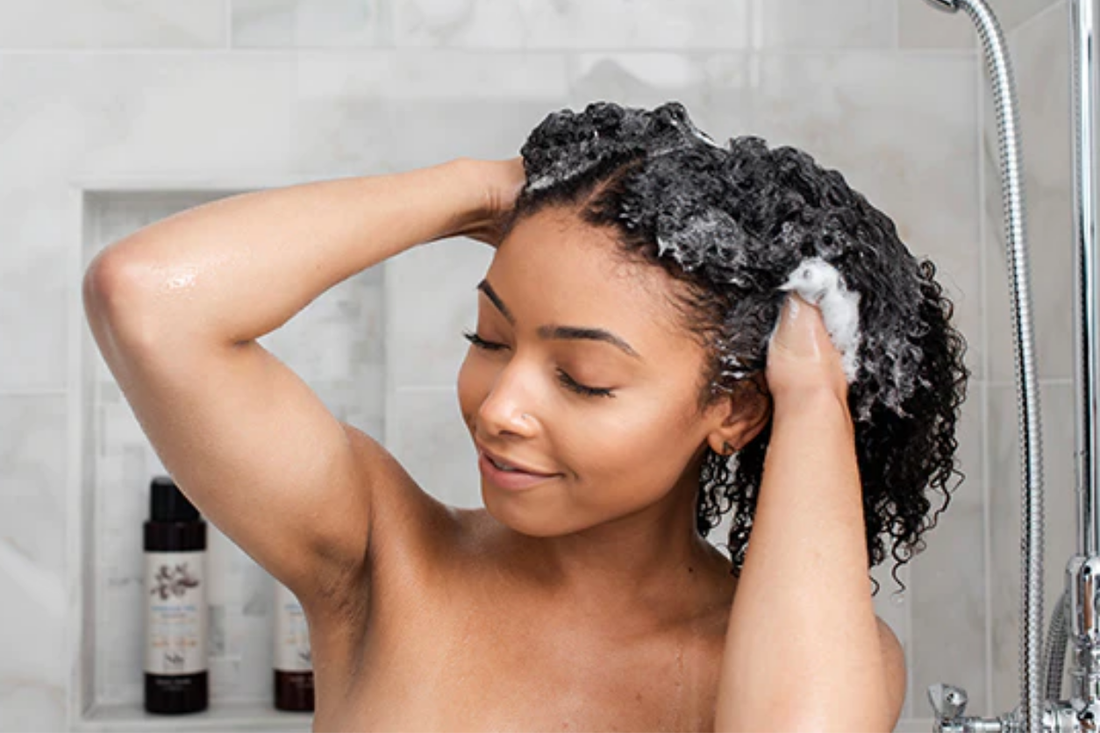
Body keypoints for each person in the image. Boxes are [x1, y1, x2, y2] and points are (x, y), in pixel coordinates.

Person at [83, 101, 967, 732]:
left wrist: (811, 388)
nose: (501, 408)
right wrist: (486, 192)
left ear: (732, 408)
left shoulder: (812, 657)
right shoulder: (381, 560)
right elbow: (148, 300)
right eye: (491, 336)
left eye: (582, 378)